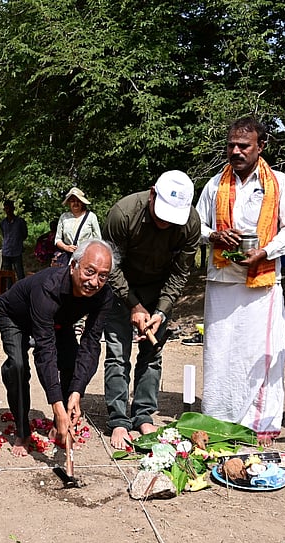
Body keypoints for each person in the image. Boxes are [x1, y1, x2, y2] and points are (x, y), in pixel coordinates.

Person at [195, 117, 285, 443]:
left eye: (244, 146)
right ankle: (217, 417)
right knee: (220, 352)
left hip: (263, 282)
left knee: (261, 354)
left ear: (261, 146)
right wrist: (214, 235)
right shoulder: (215, 184)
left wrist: (266, 252)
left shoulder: (279, 182)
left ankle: (262, 423)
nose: (236, 151)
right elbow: (193, 227)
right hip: (222, 280)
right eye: (231, 146)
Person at [102, 171, 201, 449]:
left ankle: (143, 413)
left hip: (159, 290)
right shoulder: (122, 214)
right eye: (162, 213)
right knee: (118, 353)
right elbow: (110, 265)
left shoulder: (190, 223)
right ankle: (119, 420)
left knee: (152, 352)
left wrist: (160, 311)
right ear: (152, 193)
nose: (166, 222)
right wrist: (133, 304)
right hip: (121, 286)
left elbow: (181, 272)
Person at [0, 239, 115, 456]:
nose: (94, 281)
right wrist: (56, 406)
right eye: (89, 271)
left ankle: (59, 428)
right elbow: (45, 351)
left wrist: (77, 392)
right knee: (18, 366)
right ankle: (23, 431)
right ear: (73, 266)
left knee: (72, 359)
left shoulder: (104, 295)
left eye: (102, 276)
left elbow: (90, 344)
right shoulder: (47, 288)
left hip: (58, 321)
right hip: (15, 316)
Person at [54, 187, 101, 265]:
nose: (75, 203)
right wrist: (67, 247)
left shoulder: (91, 217)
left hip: (86, 258)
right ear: (69, 202)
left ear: (82, 202)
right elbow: (57, 240)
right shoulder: (64, 217)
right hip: (68, 258)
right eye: (72, 201)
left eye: (78, 201)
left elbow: (98, 240)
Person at [0, 200, 28, 279]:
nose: (8, 211)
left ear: (13, 208)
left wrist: (18, 241)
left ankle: (22, 290)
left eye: (9, 208)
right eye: (6, 209)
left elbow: (24, 234)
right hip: (6, 251)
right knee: (7, 275)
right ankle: (10, 290)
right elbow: (3, 234)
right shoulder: (3, 223)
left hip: (17, 251)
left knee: (20, 273)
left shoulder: (20, 222)